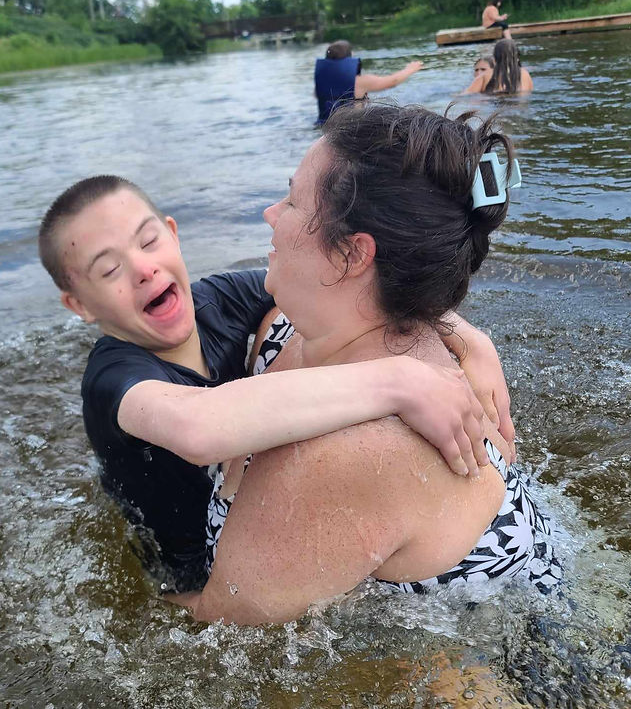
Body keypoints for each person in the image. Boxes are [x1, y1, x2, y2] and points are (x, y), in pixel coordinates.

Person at [178, 103, 562, 625]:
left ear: (351, 256)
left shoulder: (341, 459)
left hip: (516, 664)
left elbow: (218, 628)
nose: (270, 214)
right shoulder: (290, 327)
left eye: (292, 201)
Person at [38, 176, 517, 592]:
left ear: (172, 234)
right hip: (193, 573)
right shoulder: (111, 376)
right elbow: (198, 429)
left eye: (147, 243)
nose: (144, 270)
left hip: (267, 518)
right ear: (79, 305)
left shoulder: (218, 299)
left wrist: (468, 337)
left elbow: (335, 281)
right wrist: (401, 380)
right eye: (109, 270)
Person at [314, 40, 422, 125]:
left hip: (324, 127)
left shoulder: (320, 84)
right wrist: (411, 69)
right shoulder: (360, 82)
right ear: (349, 58)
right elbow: (392, 82)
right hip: (350, 127)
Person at [464, 39, 533, 95]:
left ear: (494, 57)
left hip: (496, 108)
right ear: (517, 57)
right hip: (520, 109)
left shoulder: (485, 75)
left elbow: (466, 96)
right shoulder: (525, 74)